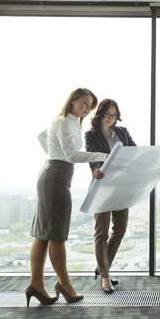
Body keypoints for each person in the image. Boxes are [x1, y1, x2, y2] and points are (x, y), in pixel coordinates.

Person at [26, 88, 108, 307]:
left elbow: (42, 136)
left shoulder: (65, 121)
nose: (87, 108)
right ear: (72, 100)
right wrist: (104, 156)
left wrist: (54, 153)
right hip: (56, 176)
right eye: (84, 102)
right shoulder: (65, 122)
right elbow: (72, 155)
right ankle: (65, 285)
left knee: (44, 234)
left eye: (90, 105)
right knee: (56, 234)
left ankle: (36, 284)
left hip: (53, 173)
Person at [84, 99, 136, 294]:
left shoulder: (122, 132)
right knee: (101, 232)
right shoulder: (91, 134)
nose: (111, 119)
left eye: (114, 116)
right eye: (108, 115)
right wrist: (95, 169)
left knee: (120, 229)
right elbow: (92, 155)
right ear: (99, 115)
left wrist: (157, 163)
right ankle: (105, 275)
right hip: (102, 185)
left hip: (121, 186)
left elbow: (135, 151)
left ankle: (101, 267)